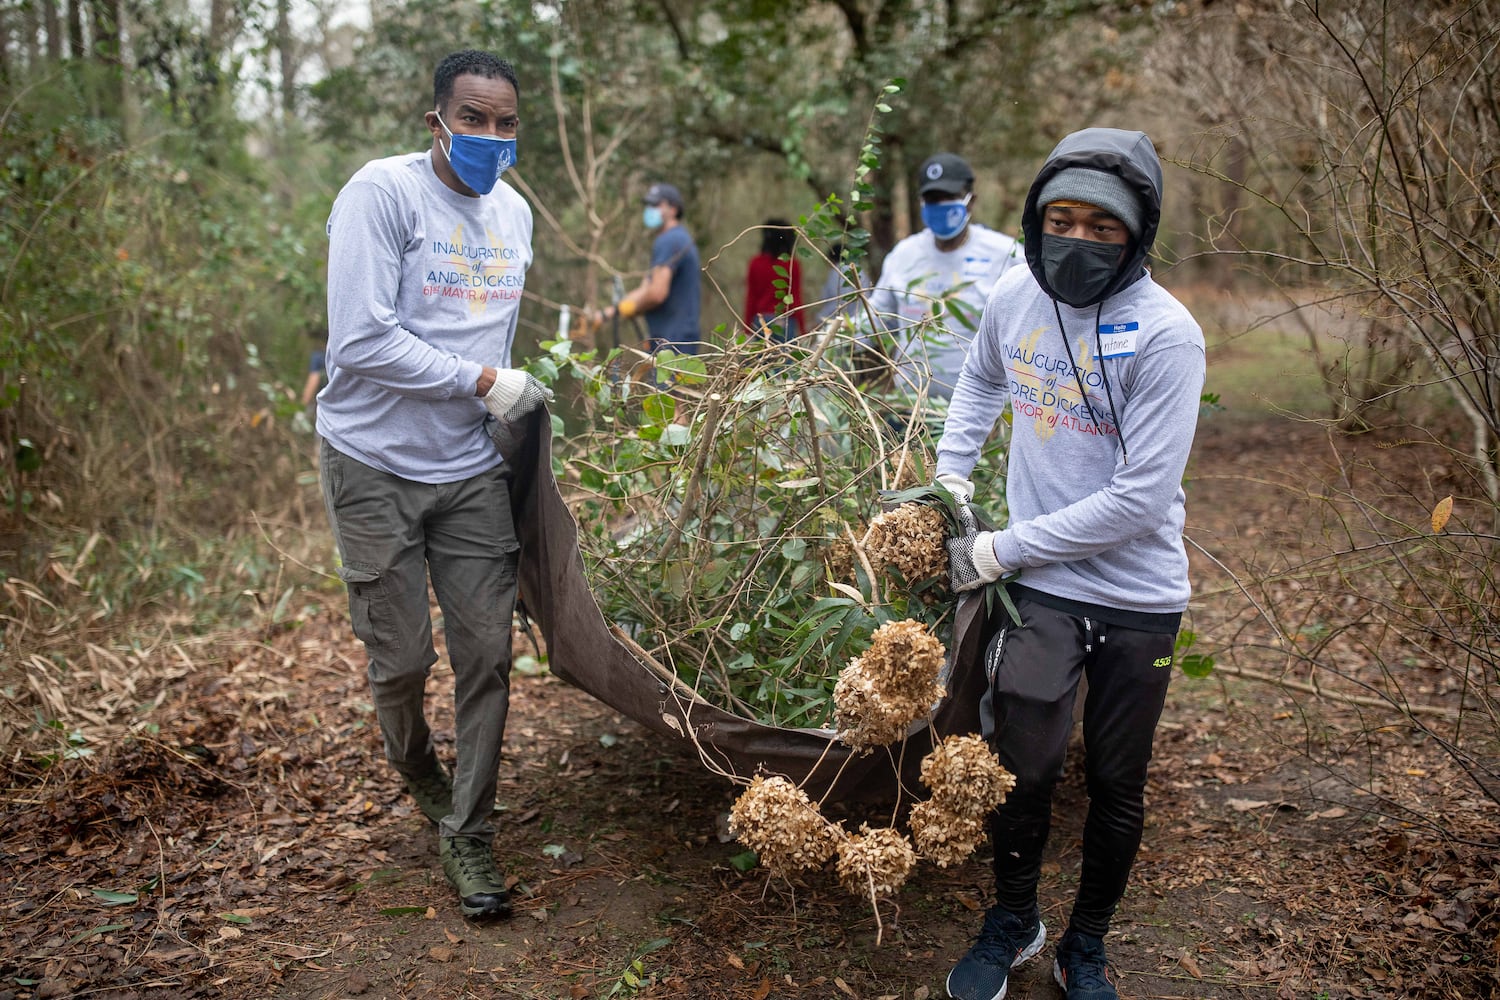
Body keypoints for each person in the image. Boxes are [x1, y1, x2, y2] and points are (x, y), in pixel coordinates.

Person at [935, 127, 1205, 1000]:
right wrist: (949, 475)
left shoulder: (1168, 336)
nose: (1078, 240)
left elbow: (1136, 499)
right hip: (1045, 589)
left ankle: (1084, 945)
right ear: (1035, 218)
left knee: (1119, 781)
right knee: (1023, 765)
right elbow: (980, 380)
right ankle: (1014, 920)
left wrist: (995, 549)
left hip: (1137, 594)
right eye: (1062, 219)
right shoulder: (1016, 292)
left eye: (1104, 226)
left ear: (1139, 232)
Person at [317, 49, 552, 922]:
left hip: (467, 473)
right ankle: (417, 763)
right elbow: (360, 342)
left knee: (488, 653)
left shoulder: (516, 219)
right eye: (473, 120)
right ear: (437, 123)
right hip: (372, 462)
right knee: (402, 661)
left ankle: (470, 830)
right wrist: (486, 383)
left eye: (505, 123)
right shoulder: (382, 195)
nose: (491, 137)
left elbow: (491, 340)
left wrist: (500, 402)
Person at [862, 152, 1022, 401]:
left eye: (949, 198)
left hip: (980, 411)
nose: (940, 206)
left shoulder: (1005, 255)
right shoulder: (904, 254)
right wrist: (824, 344)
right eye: (932, 199)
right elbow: (875, 321)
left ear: (971, 201)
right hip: (910, 409)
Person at [597, 181, 701, 355]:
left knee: (668, 383)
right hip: (674, 338)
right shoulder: (677, 239)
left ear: (673, 210)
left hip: (672, 342)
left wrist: (630, 307)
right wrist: (607, 314)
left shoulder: (670, 240)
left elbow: (656, 293)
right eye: (649, 205)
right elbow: (646, 289)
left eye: (657, 205)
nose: (651, 210)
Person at [742, 218, 805, 340]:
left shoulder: (755, 263)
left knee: (761, 358)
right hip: (785, 321)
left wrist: (746, 328)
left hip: (761, 321)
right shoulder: (792, 265)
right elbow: (796, 298)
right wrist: (803, 330)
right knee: (785, 358)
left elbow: (751, 298)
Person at [813, 241, 867, 325]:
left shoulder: (835, 273)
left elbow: (836, 301)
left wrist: (820, 318)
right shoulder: (860, 271)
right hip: (863, 320)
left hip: (842, 323)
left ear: (831, 259)